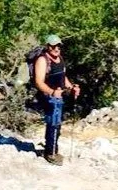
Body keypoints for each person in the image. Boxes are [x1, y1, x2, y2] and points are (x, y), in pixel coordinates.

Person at [33, 34, 80, 164]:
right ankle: (50, 153)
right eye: (54, 46)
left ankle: (53, 149)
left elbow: (63, 77)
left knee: (57, 123)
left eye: (58, 45)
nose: (57, 48)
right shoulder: (42, 60)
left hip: (59, 96)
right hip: (48, 96)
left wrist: (72, 88)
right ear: (48, 46)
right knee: (53, 122)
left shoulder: (60, 59)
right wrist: (52, 92)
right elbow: (39, 82)